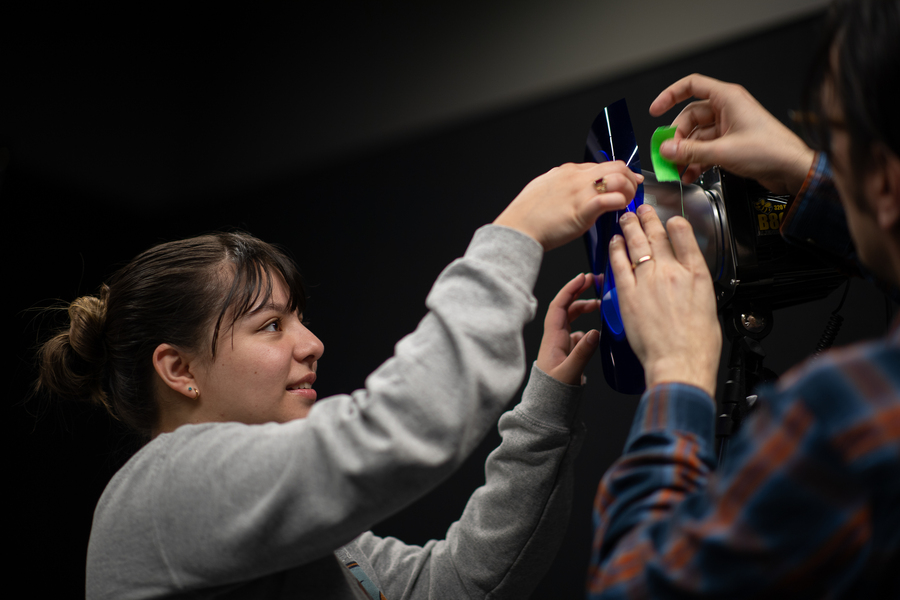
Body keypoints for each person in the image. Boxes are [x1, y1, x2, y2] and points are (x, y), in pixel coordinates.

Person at [36, 161, 641, 599]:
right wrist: (517, 233)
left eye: (299, 319)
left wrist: (548, 398)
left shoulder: (281, 518)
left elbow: (456, 585)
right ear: (180, 370)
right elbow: (399, 427)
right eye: (271, 325)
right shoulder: (166, 490)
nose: (312, 344)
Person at [586, 0, 900, 597]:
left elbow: (631, 587)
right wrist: (805, 172)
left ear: (884, 179)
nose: (824, 152)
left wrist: (676, 372)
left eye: (832, 136)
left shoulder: (840, 418)